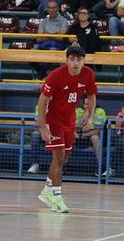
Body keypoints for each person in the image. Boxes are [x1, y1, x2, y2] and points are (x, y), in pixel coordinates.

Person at [33, 43, 98, 214]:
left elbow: (91, 96)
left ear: (84, 61)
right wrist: (43, 127)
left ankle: (47, 190)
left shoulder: (89, 74)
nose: (76, 63)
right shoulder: (56, 76)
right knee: (59, 157)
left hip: (69, 120)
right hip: (53, 119)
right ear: (67, 60)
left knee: (64, 157)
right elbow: (42, 102)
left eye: (79, 59)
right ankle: (56, 197)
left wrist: (90, 117)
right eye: (72, 59)